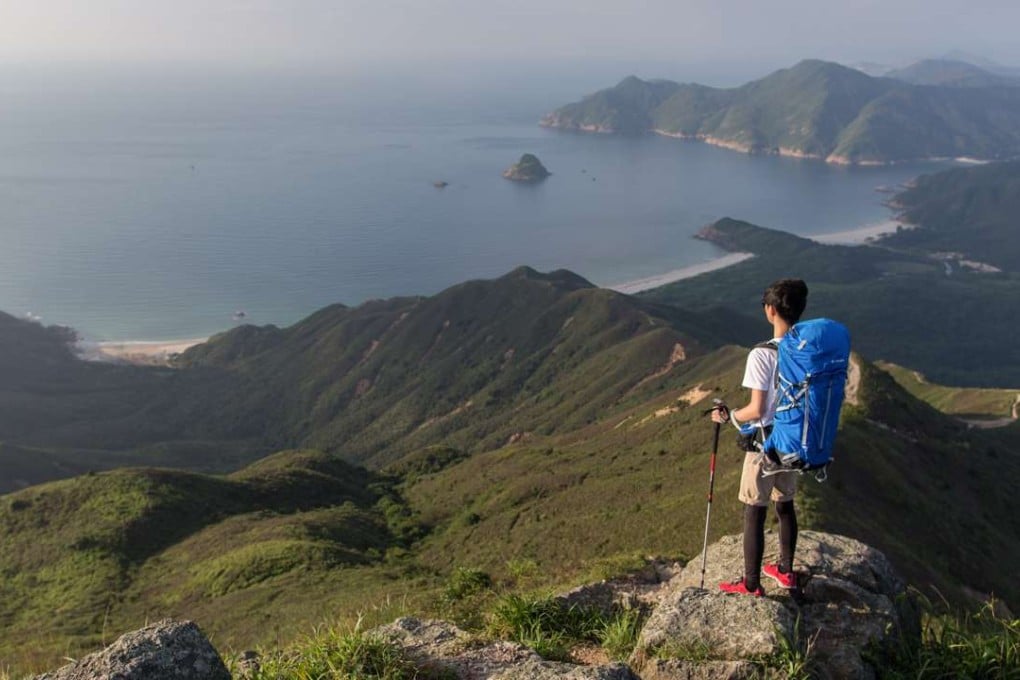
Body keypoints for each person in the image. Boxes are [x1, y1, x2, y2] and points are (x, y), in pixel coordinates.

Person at [710, 279, 808, 596]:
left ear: (770, 310)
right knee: (786, 505)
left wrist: (729, 417)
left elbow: (756, 409)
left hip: (765, 445)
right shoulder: (807, 350)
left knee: (754, 510)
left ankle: (751, 584)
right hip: (794, 440)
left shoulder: (762, 355)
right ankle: (785, 570)